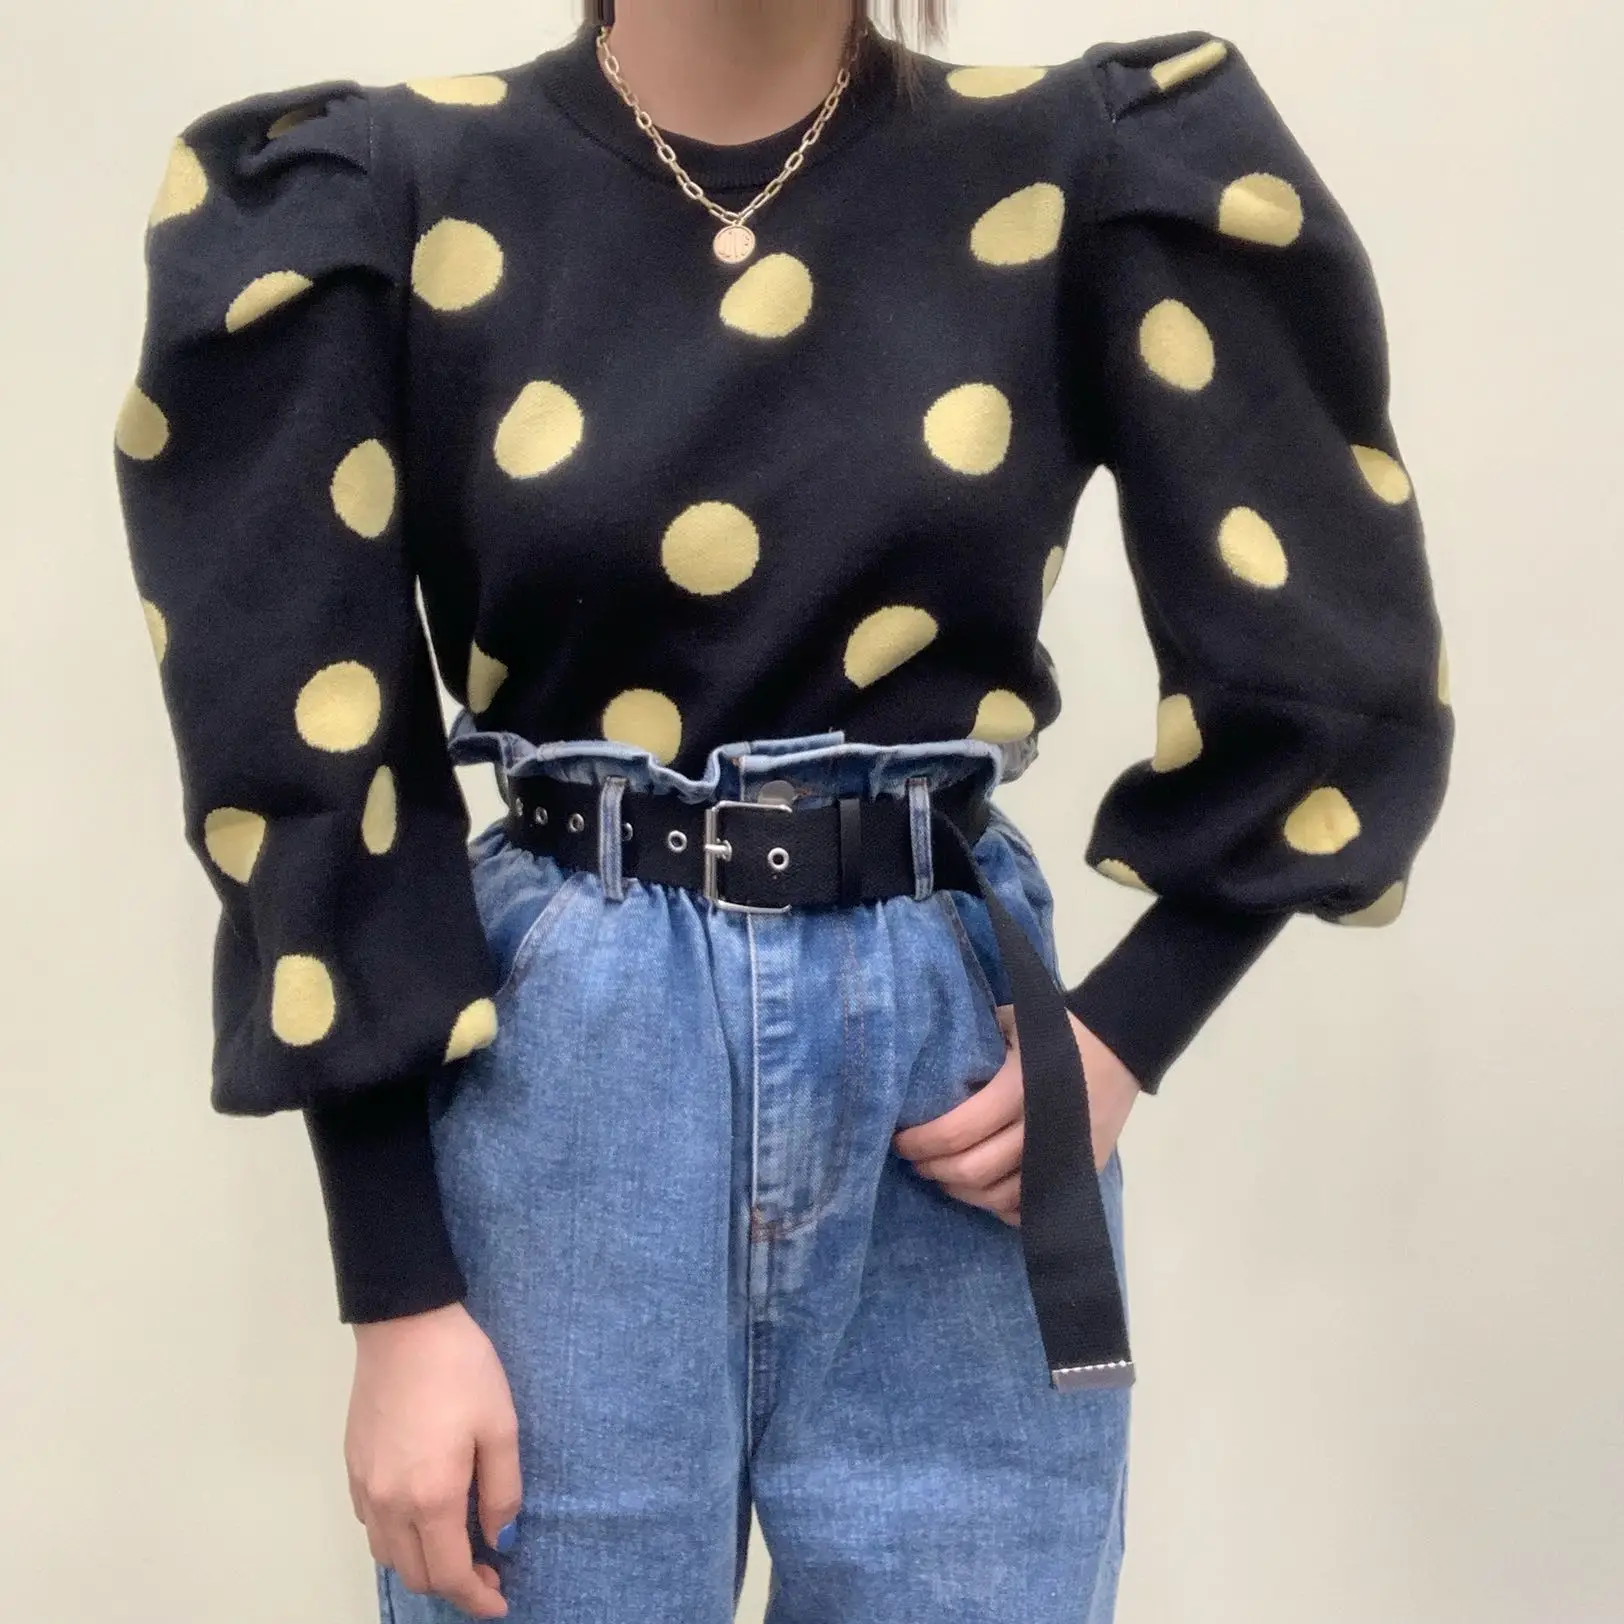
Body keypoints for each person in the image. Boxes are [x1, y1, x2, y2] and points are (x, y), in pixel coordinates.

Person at [110, 0, 1452, 1618]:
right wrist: (395, 1294)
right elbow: (306, 750)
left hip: (954, 1086)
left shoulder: (1080, 164)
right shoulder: (390, 186)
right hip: (572, 1078)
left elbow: (1330, 647)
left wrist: (1132, 1029)